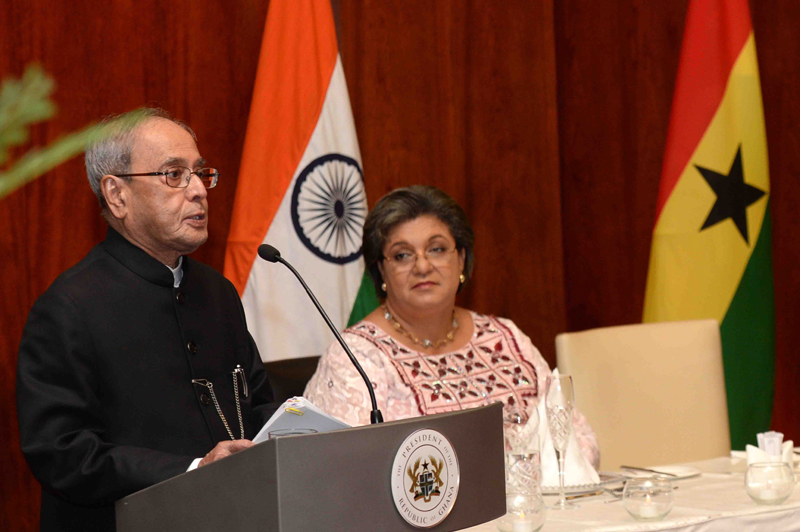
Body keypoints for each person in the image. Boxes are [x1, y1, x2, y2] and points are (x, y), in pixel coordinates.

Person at [16, 109, 277, 532]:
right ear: (117, 195)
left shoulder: (217, 293)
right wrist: (193, 468)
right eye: (174, 174)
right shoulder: (67, 307)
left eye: (199, 172)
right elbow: (62, 454)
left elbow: (256, 401)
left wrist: (301, 430)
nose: (198, 191)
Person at [304, 185, 599, 468]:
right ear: (381, 270)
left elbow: (580, 443)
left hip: (530, 511)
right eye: (402, 255)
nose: (422, 266)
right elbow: (350, 472)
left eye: (437, 249)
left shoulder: (505, 337)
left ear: (461, 259)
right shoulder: (354, 358)